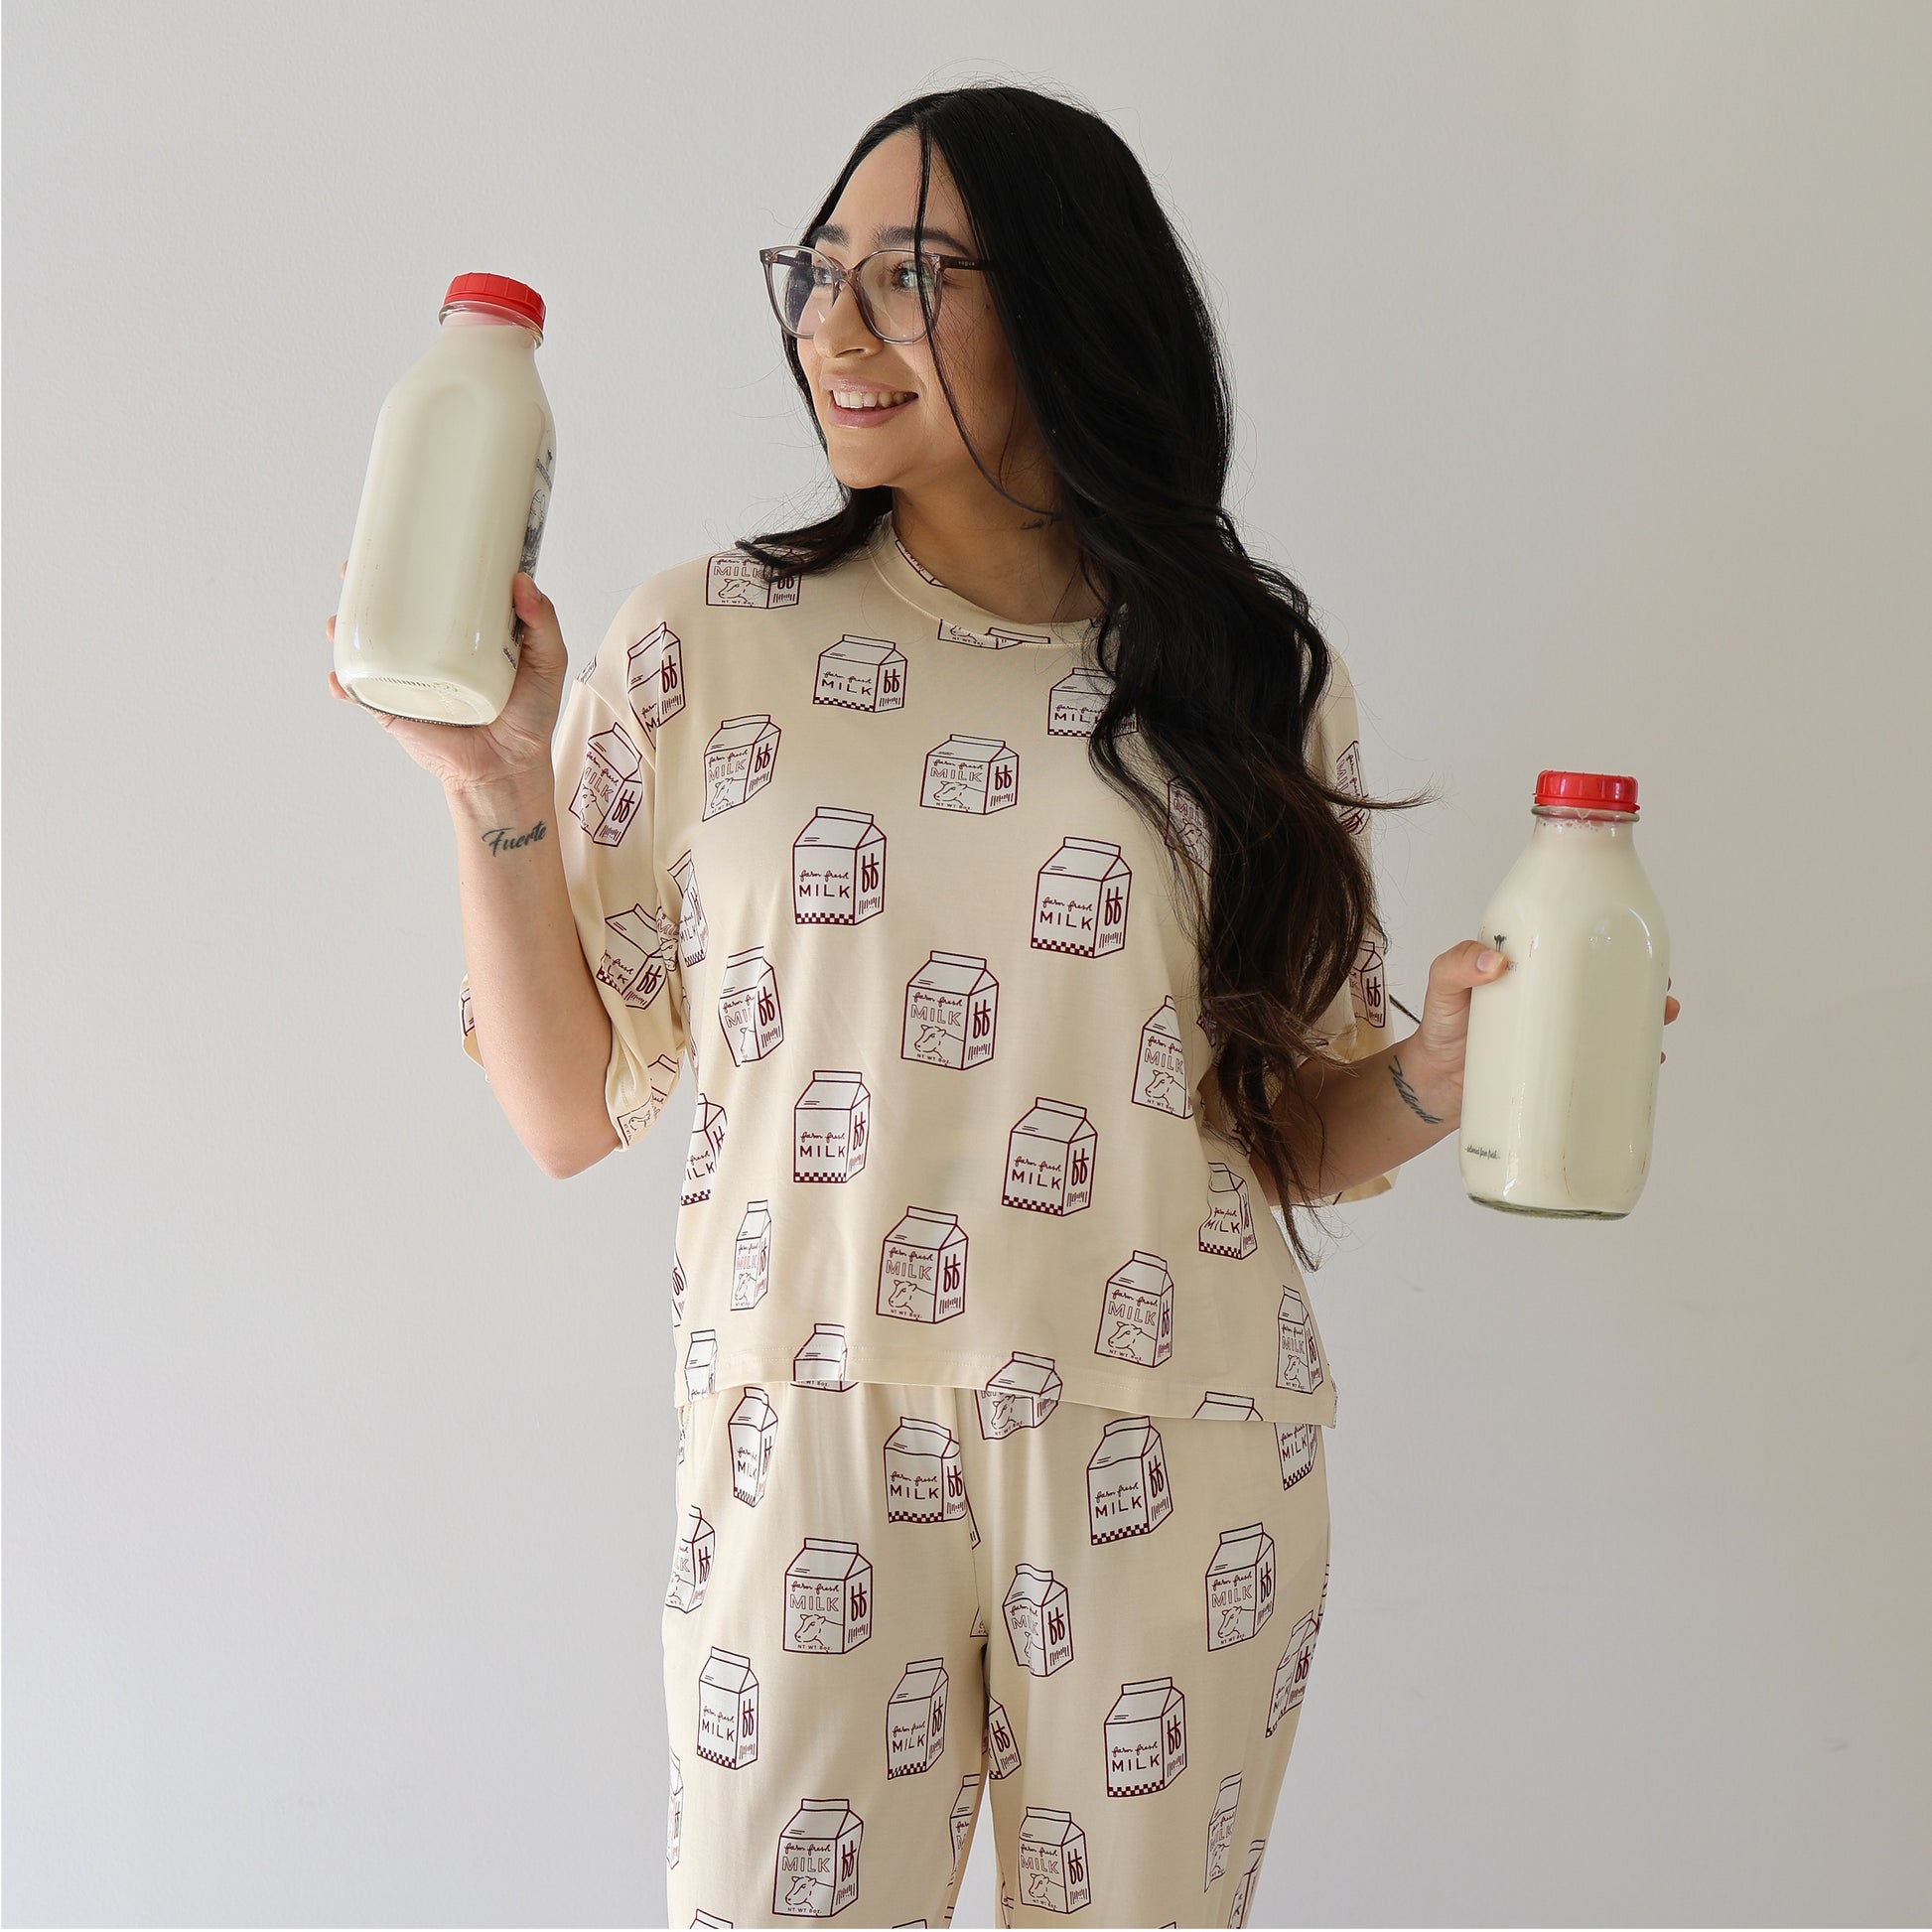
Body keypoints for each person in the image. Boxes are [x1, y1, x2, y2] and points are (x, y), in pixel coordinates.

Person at [328, 81, 1679, 1931]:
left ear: (1063, 302)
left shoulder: (1250, 681)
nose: (835, 325)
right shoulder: (700, 641)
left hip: (1168, 1440)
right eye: (818, 271)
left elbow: (1282, 1127)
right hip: (807, 1435)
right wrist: (499, 781)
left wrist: (1439, 1073)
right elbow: (568, 1109)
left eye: (909, 275)